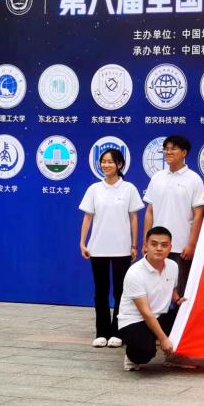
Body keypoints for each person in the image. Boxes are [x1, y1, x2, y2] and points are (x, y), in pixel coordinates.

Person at [78, 149, 145, 348]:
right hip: (97, 247)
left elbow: (134, 218)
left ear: (120, 165)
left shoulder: (129, 188)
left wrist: (134, 244)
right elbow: (87, 217)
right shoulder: (94, 189)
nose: (106, 165)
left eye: (110, 162)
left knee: (120, 292)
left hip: (122, 249)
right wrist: (83, 242)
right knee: (100, 291)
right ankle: (101, 332)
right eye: (103, 162)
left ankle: (117, 331)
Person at [117, 226, 197, 371]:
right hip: (135, 321)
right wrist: (163, 339)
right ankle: (132, 355)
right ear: (145, 246)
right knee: (144, 352)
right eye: (154, 244)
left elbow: (172, 290)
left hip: (159, 316)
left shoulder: (173, 266)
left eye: (164, 245)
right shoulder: (135, 273)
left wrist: (178, 301)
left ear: (170, 247)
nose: (159, 248)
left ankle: (174, 356)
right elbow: (146, 312)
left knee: (191, 313)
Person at [143, 135, 204, 297]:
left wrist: (191, 244)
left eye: (173, 149)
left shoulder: (194, 179)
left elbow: (198, 214)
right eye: (166, 149)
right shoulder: (157, 177)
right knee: (155, 289)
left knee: (180, 291)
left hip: (181, 246)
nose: (168, 152)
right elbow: (150, 211)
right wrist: (146, 241)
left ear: (184, 152)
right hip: (156, 245)